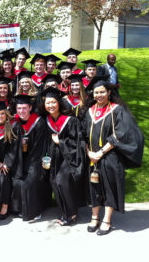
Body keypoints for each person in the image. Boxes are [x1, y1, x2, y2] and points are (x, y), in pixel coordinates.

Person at [81, 76, 143, 235]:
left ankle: (106, 220)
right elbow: (83, 135)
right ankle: (94, 217)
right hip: (92, 157)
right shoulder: (89, 111)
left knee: (109, 188)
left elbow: (120, 135)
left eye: (102, 92)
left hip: (111, 157)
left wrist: (100, 153)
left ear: (109, 92)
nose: (99, 95)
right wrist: (89, 153)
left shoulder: (117, 110)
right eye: (96, 92)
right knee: (93, 187)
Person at [38, 87, 85, 226]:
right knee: (54, 181)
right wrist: (44, 157)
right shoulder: (45, 120)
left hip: (69, 157)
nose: (50, 105)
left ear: (59, 103)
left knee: (62, 181)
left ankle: (71, 214)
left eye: (53, 102)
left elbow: (77, 142)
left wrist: (61, 142)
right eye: (48, 103)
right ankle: (66, 212)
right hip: (53, 157)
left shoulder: (70, 120)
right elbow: (44, 142)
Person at [10, 95, 47, 221]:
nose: (21, 111)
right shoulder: (14, 121)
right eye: (19, 108)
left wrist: (27, 163)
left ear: (30, 108)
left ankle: (33, 212)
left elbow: (39, 146)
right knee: (16, 180)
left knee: (29, 181)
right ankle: (18, 209)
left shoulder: (39, 122)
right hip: (17, 159)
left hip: (34, 159)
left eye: (24, 108)